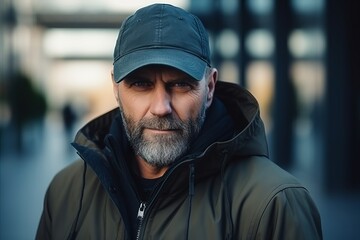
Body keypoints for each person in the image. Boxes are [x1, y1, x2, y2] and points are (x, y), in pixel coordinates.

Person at [36, 4, 322, 240]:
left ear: (209, 88)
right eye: (140, 84)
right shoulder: (68, 192)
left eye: (181, 85)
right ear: (115, 88)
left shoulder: (273, 204)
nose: (161, 108)